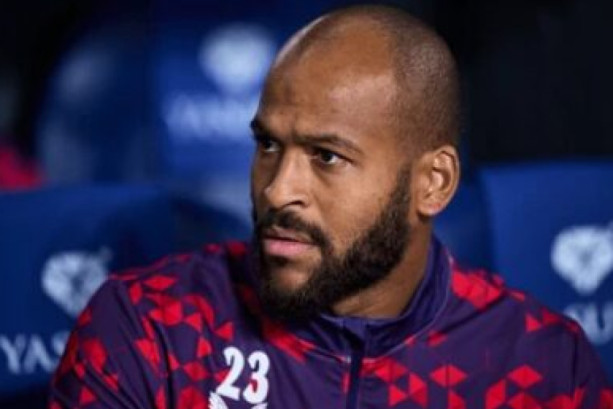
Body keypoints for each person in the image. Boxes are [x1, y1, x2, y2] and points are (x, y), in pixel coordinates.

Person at [49, 5, 612, 409]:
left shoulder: (542, 365)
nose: (277, 191)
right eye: (269, 145)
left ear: (433, 183)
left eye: (327, 156)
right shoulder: (151, 331)